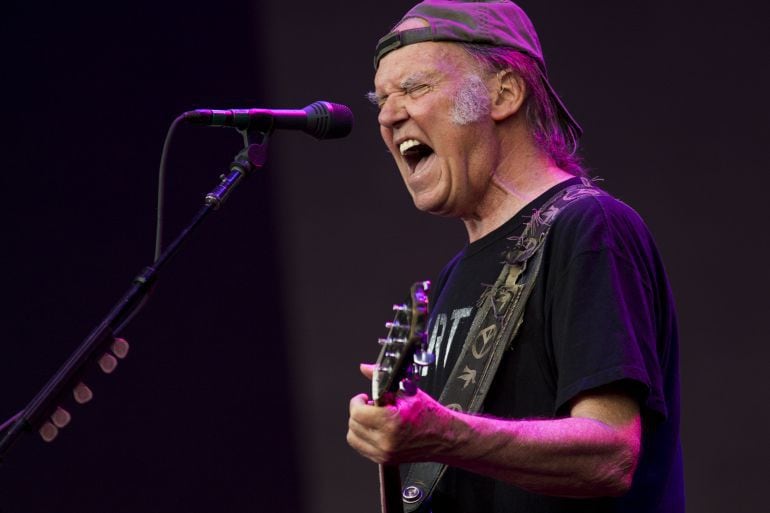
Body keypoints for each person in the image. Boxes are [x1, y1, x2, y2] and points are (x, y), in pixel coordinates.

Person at [346, 1, 684, 512]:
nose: (390, 116)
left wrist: (442, 433)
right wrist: (395, 446)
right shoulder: (451, 280)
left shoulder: (588, 229)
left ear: (504, 92)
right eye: (382, 100)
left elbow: (611, 453)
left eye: (415, 89)